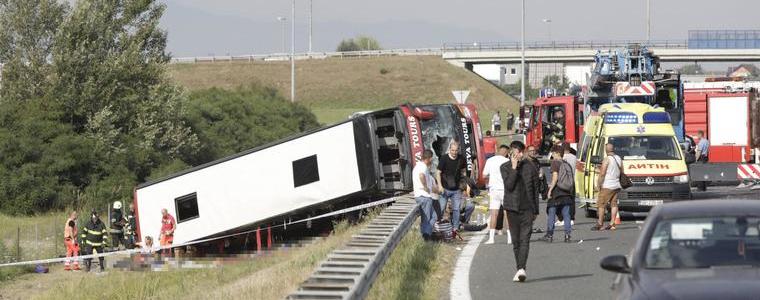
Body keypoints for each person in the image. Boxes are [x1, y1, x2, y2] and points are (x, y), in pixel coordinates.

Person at [500, 141, 540, 282]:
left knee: (525, 239)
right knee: (516, 241)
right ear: (512, 153)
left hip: (527, 209)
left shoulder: (530, 167)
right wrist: (514, 168)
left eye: (521, 152)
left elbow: (535, 189)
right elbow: (509, 186)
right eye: (517, 152)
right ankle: (519, 268)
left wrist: (536, 210)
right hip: (512, 208)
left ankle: (522, 268)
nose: (520, 155)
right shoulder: (504, 167)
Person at [539, 145, 573, 243]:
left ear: (557, 153)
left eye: (553, 153)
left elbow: (555, 177)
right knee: (566, 215)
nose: (552, 155)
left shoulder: (555, 163)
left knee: (552, 213)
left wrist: (550, 190)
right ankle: (567, 235)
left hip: (557, 192)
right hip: (566, 192)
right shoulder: (567, 164)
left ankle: (550, 235)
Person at [436, 141, 467, 234]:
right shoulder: (444, 158)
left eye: (456, 150)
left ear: (458, 150)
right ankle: (437, 226)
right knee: (441, 208)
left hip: (456, 189)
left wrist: (464, 184)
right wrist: (440, 186)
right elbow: (438, 173)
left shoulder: (461, 158)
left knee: (456, 209)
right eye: (452, 150)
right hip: (445, 188)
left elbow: (464, 171)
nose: (454, 152)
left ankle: (455, 228)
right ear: (449, 149)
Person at [483, 144, 511, 245]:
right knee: (507, 213)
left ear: (499, 150)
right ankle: (509, 237)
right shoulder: (507, 161)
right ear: (506, 152)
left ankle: (491, 238)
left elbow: (484, 174)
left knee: (494, 214)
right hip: (505, 189)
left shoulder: (490, 160)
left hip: (494, 189)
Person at [592, 143, 622, 231]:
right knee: (614, 204)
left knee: (601, 204)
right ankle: (612, 223)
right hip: (616, 184)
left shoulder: (607, 159)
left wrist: (598, 184)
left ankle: (600, 224)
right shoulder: (618, 158)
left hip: (607, 185)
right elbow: (621, 171)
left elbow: (602, 173)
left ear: (606, 150)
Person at [413, 150, 437, 240]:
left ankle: (426, 233)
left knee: (431, 217)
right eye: (431, 158)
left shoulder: (417, 166)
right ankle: (426, 236)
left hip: (419, 195)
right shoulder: (423, 167)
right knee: (427, 218)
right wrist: (426, 186)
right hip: (424, 196)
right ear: (429, 158)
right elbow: (421, 176)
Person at [557, 143, 577, 225]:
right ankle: (571, 218)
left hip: (563, 182)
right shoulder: (574, 157)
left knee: (561, 200)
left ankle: (562, 219)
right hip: (572, 180)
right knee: (571, 200)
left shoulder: (562, 158)